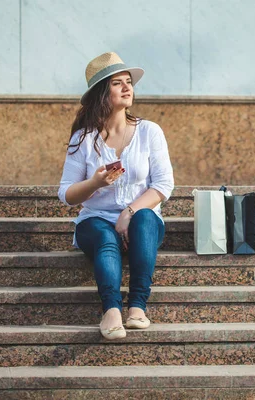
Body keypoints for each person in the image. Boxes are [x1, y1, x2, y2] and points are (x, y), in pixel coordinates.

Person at [58, 52, 174, 339]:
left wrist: (129, 212)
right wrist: (95, 183)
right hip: (95, 221)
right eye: (117, 83)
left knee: (146, 217)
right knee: (104, 236)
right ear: (101, 93)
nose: (127, 88)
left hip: (140, 223)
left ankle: (136, 307)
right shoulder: (84, 139)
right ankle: (111, 310)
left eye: (129, 82)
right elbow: (67, 194)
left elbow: (163, 185)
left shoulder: (150, 132)